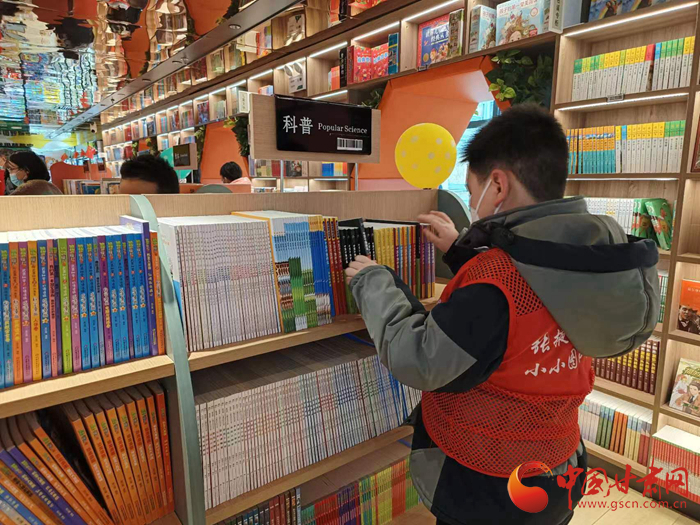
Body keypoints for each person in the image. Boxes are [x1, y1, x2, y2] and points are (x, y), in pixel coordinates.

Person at [344, 104, 660, 525]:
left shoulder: (495, 279)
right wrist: (462, 250)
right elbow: (534, 293)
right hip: (559, 467)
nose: (471, 204)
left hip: (486, 483)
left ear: (497, 185)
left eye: (471, 191)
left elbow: (421, 358)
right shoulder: (595, 256)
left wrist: (373, 282)